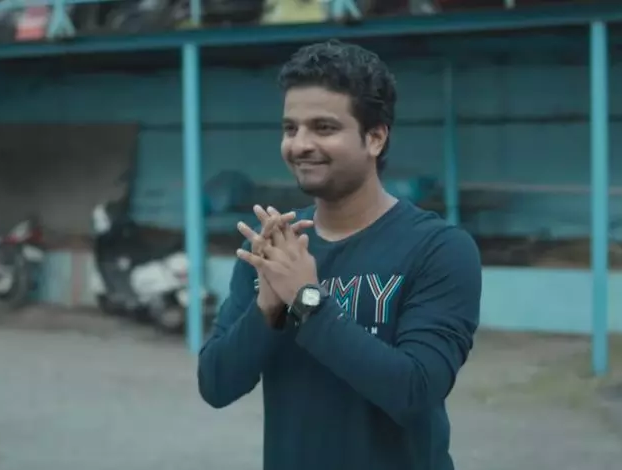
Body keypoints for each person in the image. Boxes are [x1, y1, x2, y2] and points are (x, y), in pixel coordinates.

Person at [196, 40, 482, 470]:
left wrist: (305, 300)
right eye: (290, 128)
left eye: (323, 128)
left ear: (375, 138)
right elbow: (216, 384)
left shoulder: (438, 248)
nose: (300, 144)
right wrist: (267, 308)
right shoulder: (274, 247)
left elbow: (415, 391)